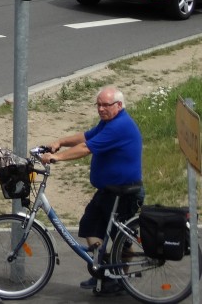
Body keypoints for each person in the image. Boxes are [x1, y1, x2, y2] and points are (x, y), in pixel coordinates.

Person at [40, 85, 142, 294]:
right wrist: (60, 142)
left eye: (106, 105)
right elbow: (85, 137)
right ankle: (103, 273)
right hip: (108, 191)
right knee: (90, 226)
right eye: (98, 105)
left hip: (123, 193)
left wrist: (57, 157)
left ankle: (120, 279)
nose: (101, 109)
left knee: (120, 237)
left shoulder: (119, 126)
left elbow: (86, 148)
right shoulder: (108, 122)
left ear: (119, 105)